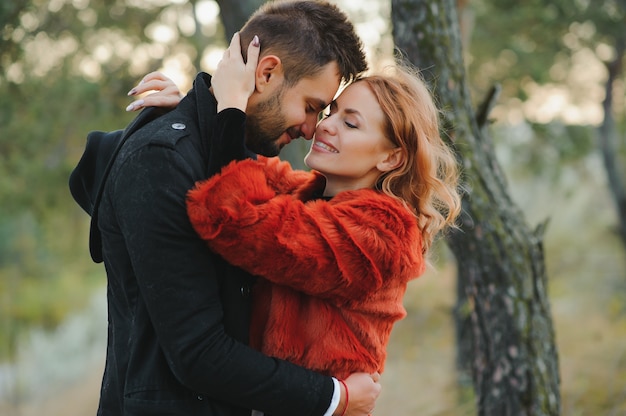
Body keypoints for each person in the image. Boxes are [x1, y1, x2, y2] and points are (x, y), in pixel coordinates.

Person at [69, 1, 380, 416]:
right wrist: (335, 398)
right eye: (311, 106)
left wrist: (204, 111)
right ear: (266, 73)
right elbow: (199, 352)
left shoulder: (233, 158)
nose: (312, 128)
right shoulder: (161, 160)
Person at [183, 57, 462, 383]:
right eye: (332, 113)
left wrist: (229, 110)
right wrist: (185, 115)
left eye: (351, 124)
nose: (326, 125)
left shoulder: (379, 234)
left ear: (391, 157)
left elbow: (228, 218)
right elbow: (253, 168)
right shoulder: (308, 195)